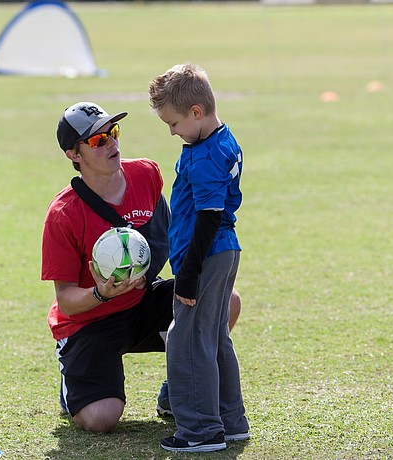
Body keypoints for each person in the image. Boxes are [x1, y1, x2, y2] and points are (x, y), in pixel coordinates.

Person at [40, 101, 242, 434]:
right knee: (101, 419)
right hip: (90, 321)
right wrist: (101, 292)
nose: (112, 144)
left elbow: (165, 238)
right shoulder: (63, 214)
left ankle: (179, 389)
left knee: (224, 300)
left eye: (113, 132)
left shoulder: (146, 174)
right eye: (97, 141)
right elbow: (66, 301)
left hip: (141, 302)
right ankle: (72, 386)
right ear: (73, 155)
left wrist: (154, 277)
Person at [148, 63, 250, 452]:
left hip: (205, 255)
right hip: (223, 252)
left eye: (173, 123)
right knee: (213, 336)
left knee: (187, 340)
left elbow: (207, 216)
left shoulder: (206, 155)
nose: (172, 132)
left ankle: (200, 430)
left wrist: (188, 273)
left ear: (196, 112)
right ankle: (229, 419)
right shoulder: (220, 139)